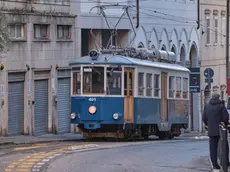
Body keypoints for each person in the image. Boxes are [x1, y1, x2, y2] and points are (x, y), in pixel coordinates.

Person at [202, 93, 229, 169]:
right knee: (224, 146)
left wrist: (208, 125)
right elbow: (225, 117)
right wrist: (226, 124)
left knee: (212, 147)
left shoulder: (206, 106)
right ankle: (226, 162)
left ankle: (214, 164)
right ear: (218, 98)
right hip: (221, 130)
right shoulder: (221, 106)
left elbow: (204, 118)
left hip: (211, 130)